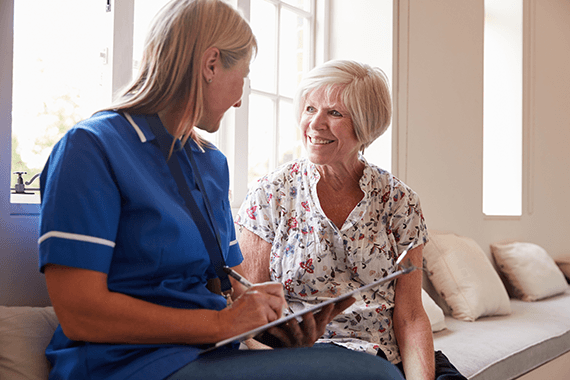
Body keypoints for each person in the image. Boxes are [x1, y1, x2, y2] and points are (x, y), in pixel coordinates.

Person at [38, 1, 407, 379]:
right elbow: (81, 313)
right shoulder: (91, 148)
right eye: (243, 76)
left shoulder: (210, 163)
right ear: (211, 65)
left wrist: (272, 327)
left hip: (210, 355)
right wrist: (222, 325)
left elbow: (226, 285)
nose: (240, 98)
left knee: (368, 369)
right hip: (126, 364)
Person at [236, 59, 467, 380]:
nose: (315, 124)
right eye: (309, 109)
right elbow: (249, 313)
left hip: (383, 357)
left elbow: (411, 316)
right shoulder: (271, 193)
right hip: (298, 358)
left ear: (365, 124)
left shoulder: (400, 200)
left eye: (334, 113)